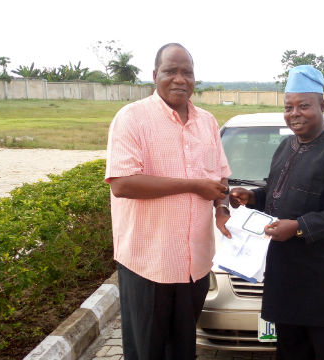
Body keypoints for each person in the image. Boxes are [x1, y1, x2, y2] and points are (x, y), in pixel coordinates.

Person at [230, 65, 324, 360]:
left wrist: (298, 227)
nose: (295, 113)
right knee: (290, 350)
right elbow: (277, 191)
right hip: (286, 275)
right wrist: (253, 196)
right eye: (288, 106)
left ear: (322, 105)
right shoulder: (286, 146)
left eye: (303, 106)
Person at [104, 43, 232, 360]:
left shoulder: (207, 122)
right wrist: (193, 186)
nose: (179, 79)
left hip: (195, 266)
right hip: (149, 264)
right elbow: (122, 183)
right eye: (170, 71)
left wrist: (222, 208)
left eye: (186, 72)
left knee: (183, 350)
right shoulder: (132, 119)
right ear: (154, 76)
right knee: (147, 351)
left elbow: (220, 177)